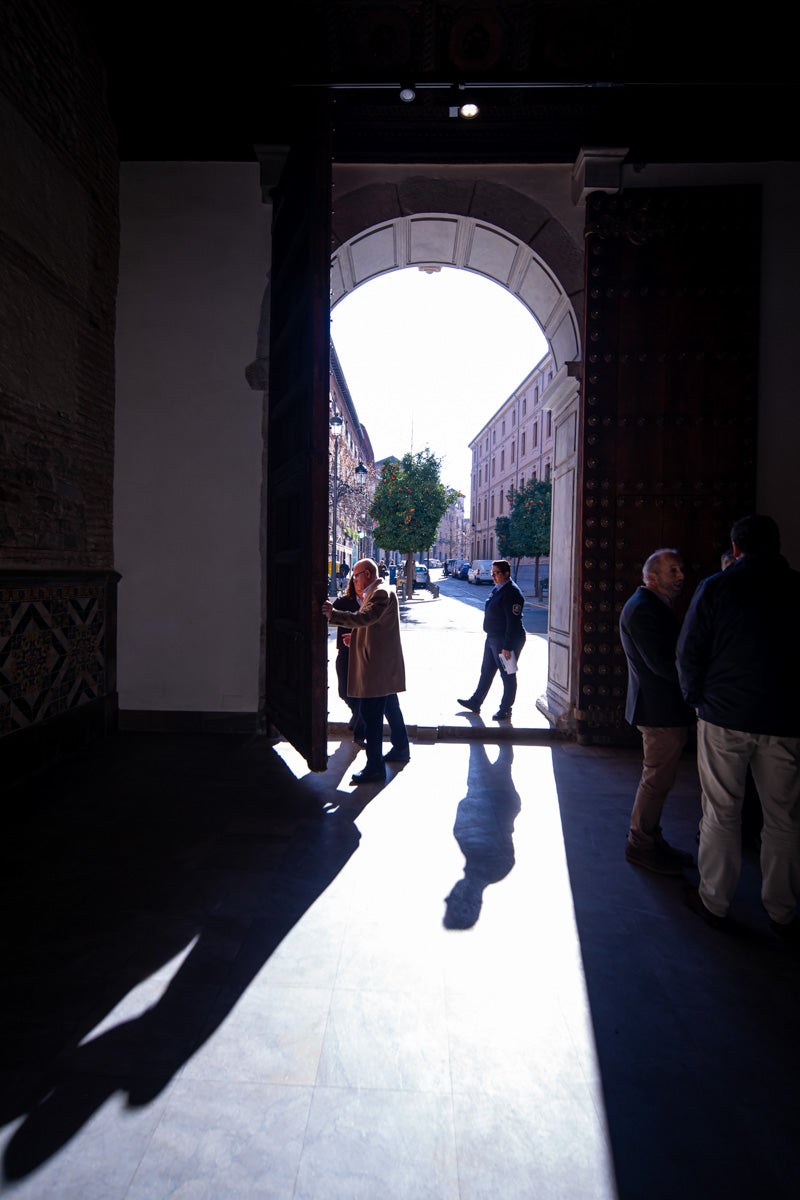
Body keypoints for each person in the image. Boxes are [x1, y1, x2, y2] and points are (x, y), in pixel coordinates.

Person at [677, 514, 800, 939]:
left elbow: (689, 650)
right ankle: (783, 910)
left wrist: (698, 701)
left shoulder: (717, 587)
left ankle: (715, 902)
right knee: (784, 817)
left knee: (721, 812)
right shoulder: (797, 587)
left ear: (737, 548)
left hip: (724, 715)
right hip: (785, 718)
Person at [618, 548, 696, 876]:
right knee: (655, 781)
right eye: (673, 571)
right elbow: (662, 664)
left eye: (681, 569)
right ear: (652, 577)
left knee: (658, 780)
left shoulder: (652, 606)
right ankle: (640, 845)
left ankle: (651, 837)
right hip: (659, 710)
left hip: (661, 709)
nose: (681, 577)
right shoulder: (643, 610)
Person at [322, 557, 410, 784]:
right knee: (391, 708)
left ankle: (375, 768)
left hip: (376, 668)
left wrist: (333, 614)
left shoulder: (379, 593)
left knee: (372, 718)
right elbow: (374, 626)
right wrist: (357, 637)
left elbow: (365, 618)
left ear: (367, 574)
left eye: (356, 575)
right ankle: (401, 748)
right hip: (381, 664)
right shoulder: (379, 592)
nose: (354, 579)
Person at [457, 559, 526, 721]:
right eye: (492, 573)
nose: (493, 576)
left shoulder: (512, 593)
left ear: (506, 574)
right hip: (493, 638)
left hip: (506, 640)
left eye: (497, 573)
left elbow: (513, 622)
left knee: (507, 674)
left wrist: (507, 646)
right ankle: (476, 702)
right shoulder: (498, 589)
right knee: (486, 671)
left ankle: (506, 708)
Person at [331, 577, 366, 746]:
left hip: (363, 654)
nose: (360, 585)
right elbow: (328, 611)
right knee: (344, 692)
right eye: (356, 582)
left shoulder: (370, 602)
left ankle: (359, 734)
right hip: (344, 653)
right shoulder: (344, 601)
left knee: (359, 695)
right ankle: (356, 715)